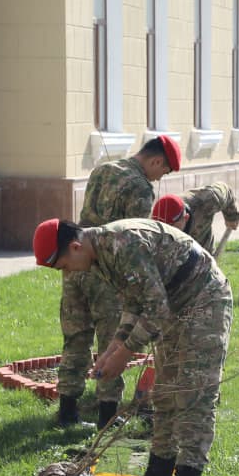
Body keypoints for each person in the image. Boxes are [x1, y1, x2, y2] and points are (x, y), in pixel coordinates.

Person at [34, 217, 232, 476]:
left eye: (64, 266)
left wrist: (124, 353)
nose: (68, 273)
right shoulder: (99, 256)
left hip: (204, 300)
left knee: (193, 395)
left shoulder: (123, 244)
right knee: (164, 395)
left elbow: (156, 309)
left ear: (75, 247)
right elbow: (134, 304)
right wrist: (113, 349)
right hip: (173, 305)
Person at [58, 135, 180, 428]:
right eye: (163, 171)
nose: (159, 178)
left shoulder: (102, 169)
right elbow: (134, 237)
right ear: (156, 161)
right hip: (105, 268)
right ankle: (107, 415)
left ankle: (67, 410)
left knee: (75, 336)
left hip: (74, 259)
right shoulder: (140, 188)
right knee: (111, 339)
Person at [150, 184, 239, 255]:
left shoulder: (207, 201)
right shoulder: (153, 228)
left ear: (185, 218)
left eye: (171, 228)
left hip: (203, 249)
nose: (167, 232)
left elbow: (226, 190)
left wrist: (232, 216)